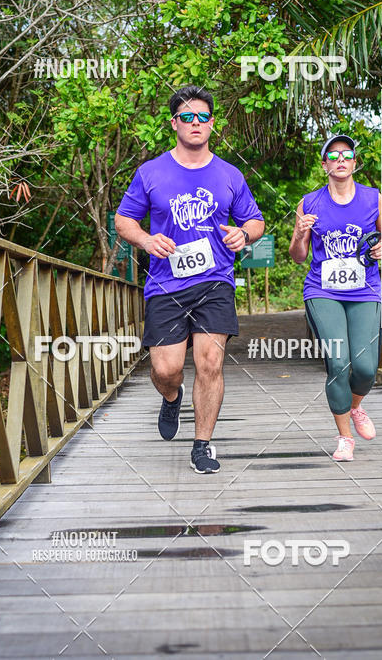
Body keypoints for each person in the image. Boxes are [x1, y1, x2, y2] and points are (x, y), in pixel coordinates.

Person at [115, 85, 265, 474]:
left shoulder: (230, 175)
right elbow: (123, 219)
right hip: (166, 283)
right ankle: (171, 397)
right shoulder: (151, 172)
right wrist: (146, 240)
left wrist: (244, 234)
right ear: (174, 123)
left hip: (215, 281)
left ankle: (202, 445)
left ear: (212, 124)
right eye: (187, 117)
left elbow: (256, 220)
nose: (195, 123)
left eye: (202, 117)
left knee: (210, 362)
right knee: (165, 370)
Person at [289, 134, 382, 461]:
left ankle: (356, 406)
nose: (340, 159)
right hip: (323, 291)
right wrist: (298, 232)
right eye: (333, 156)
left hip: (364, 290)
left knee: (364, 367)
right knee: (339, 361)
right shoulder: (309, 203)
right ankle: (345, 438)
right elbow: (297, 255)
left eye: (346, 154)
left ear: (354, 162)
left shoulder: (374, 198)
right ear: (324, 165)